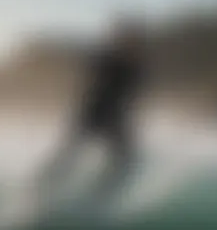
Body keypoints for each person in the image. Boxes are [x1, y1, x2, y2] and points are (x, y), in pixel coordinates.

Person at [39, 16, 147, 195]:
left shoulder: (136, 67)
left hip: (114, 118)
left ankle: (100, 193)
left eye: (135, 39)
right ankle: (44, 186)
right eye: (128, 39)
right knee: (72, 153)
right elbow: (84, 58)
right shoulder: (107, 59)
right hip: (93, 113)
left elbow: (133, 98)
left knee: (127, 159)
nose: (133, 43)